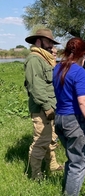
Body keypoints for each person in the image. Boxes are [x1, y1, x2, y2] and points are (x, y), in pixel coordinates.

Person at [53, 37, 85, 196]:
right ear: (83, 54)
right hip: (74, 121)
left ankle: (67, 191)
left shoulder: (57, 68)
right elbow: (82, 102)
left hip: (59, 119)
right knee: (80, 162)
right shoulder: (78, 71)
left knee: (72, 158)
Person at [24, 28, 63, 180]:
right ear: (39, 40)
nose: (51, 45)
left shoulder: (44, 58)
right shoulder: (34, 59)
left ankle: (52, 165)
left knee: (50, 138)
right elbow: (36, 86)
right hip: (42, 108)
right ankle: (35, 175)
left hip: (50, 106)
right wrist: (47, 107)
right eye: (48, 41)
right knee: (40, 141)